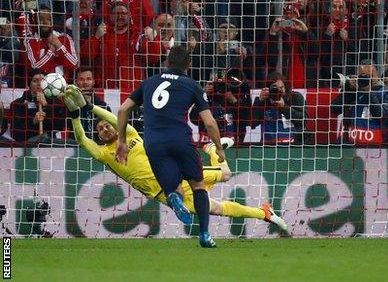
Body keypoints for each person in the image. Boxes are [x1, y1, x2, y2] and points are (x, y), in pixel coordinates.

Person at [62, 84, 287, 233]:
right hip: (162, 194)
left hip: (176, 176)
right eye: (100, 130)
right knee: (214, 209)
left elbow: (115, 116)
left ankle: (210, 149)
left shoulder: (127, 134)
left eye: (106, 126)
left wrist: (89, 107)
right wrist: (75, 116)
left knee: (226, 175)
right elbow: (82, 139)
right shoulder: (104, 154)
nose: (104, 129)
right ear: (99, 137)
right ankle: (264, 213)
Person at [115, 46, 225, 248]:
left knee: (174, 189)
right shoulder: (192, 86)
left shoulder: (149, 83)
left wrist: (121, 141)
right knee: (198, 186)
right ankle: (204, 234)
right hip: (180, 140)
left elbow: (123, 110)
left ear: (166, 62)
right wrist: (219, 148)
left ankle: (174, 196)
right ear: (188, 66)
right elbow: (209, 123)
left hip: (153, 142)